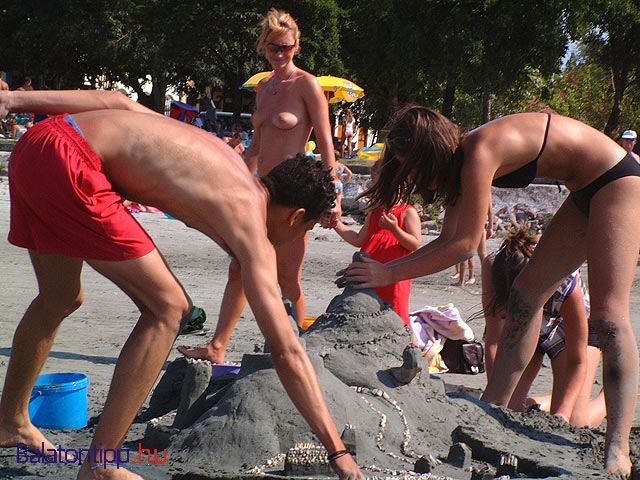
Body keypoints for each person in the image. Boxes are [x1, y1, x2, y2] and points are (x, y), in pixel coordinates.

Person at [0, 89, 362, 480]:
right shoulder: (249, 219)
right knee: (169, 308)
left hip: (39, 143)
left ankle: (11, 421)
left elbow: (118, 102)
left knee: (59, 297)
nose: (296, 238)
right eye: (305, 229)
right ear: (296, 216)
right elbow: (287, 350)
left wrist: (15, 100)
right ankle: (100, 465)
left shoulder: (226, 159)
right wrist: (338, 451)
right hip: (73, 163)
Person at [339, 105, 640, 476]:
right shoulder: (459, 165)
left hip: (616, 180)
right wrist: (384, 271)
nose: (412, 178)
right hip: (583, 191)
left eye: (412, 167)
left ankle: (617, 449)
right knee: (525, 295)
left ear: (431, 152)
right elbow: (447, 239)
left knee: (608, 317)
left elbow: (464, 246)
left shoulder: (478, 151)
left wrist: (387, 273)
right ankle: (494, 406)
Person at [178, 8, 340, 363]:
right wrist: (230, 174)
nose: (279, 54)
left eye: (285, 47)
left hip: (295, 192)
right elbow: (256, 147)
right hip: (262, 190)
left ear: (297, 46)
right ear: (264, 47)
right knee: (240, 266)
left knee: (287, 277)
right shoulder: (264, 87)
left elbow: (327, 142)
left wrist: (333, 197)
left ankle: (295, 350)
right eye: (272, 47)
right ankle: (217, 347)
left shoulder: (308, 85)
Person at [482, 223, 605, 428]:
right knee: (510, 408)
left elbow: (577, 361)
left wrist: (562, 414)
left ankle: (605, 399)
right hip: (526, 327)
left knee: (575, 420)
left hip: (566, 328)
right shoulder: (493, 265)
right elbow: (494, 341)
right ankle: (543, 402)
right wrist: (496, 398)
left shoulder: (565, 282)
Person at [333, 160, 421, 324]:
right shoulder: (375, 211)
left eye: (383, 186)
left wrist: (395, 229)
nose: (378, 190)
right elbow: (358, 240)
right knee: (367, 312)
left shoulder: (407, 212)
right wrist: (336, 224)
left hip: (394, 276)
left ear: (401, 184)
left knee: (397, 315)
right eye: (376, 186)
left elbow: (414, 244)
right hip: (369, 274)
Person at [452, 201, 493, 286]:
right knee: (479, 254)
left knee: (467, 253)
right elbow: (490, 212)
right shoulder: (485, 195)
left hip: (471, 226)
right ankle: (485, 279)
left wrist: (490, 227)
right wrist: (490, 227)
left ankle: (463, 280)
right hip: (479, 226)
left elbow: (490, 211)